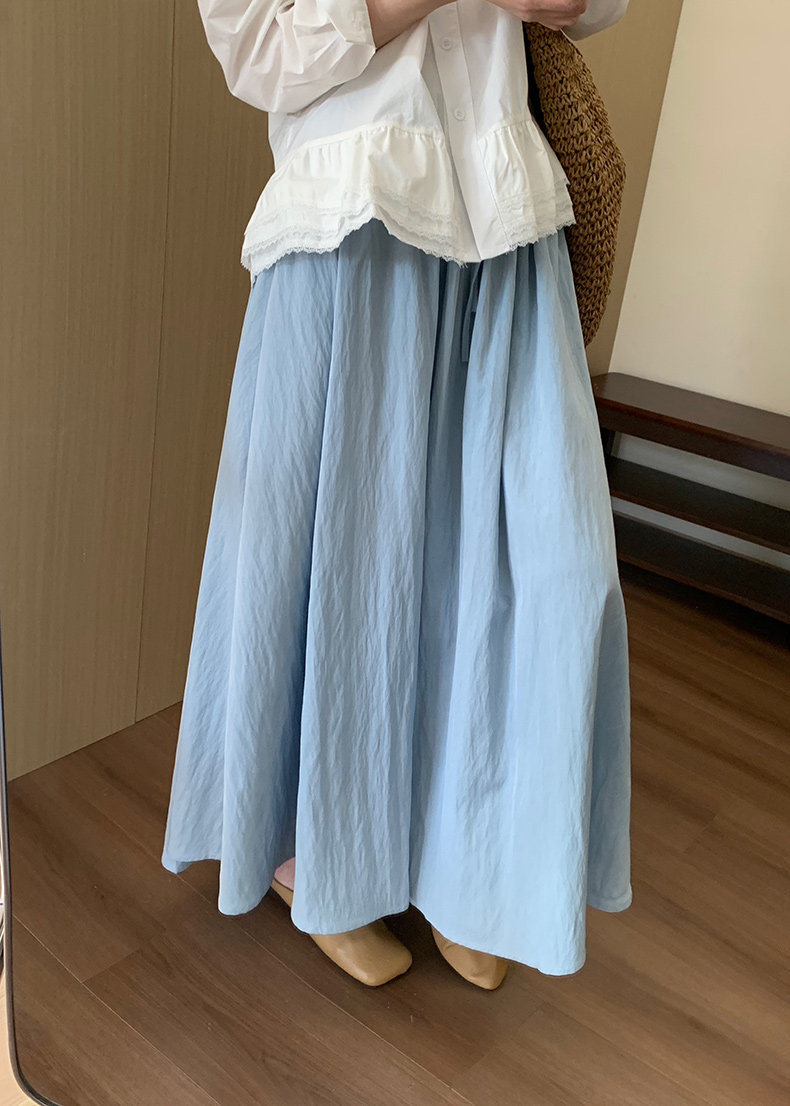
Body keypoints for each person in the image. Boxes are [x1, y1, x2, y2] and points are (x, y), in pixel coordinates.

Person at [161, 0, 633, 991]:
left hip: (508, 219)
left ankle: (466, 860)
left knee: (550, 570)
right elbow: (257, 50)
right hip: (351, 220)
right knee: (349, 571)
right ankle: (311, 857)